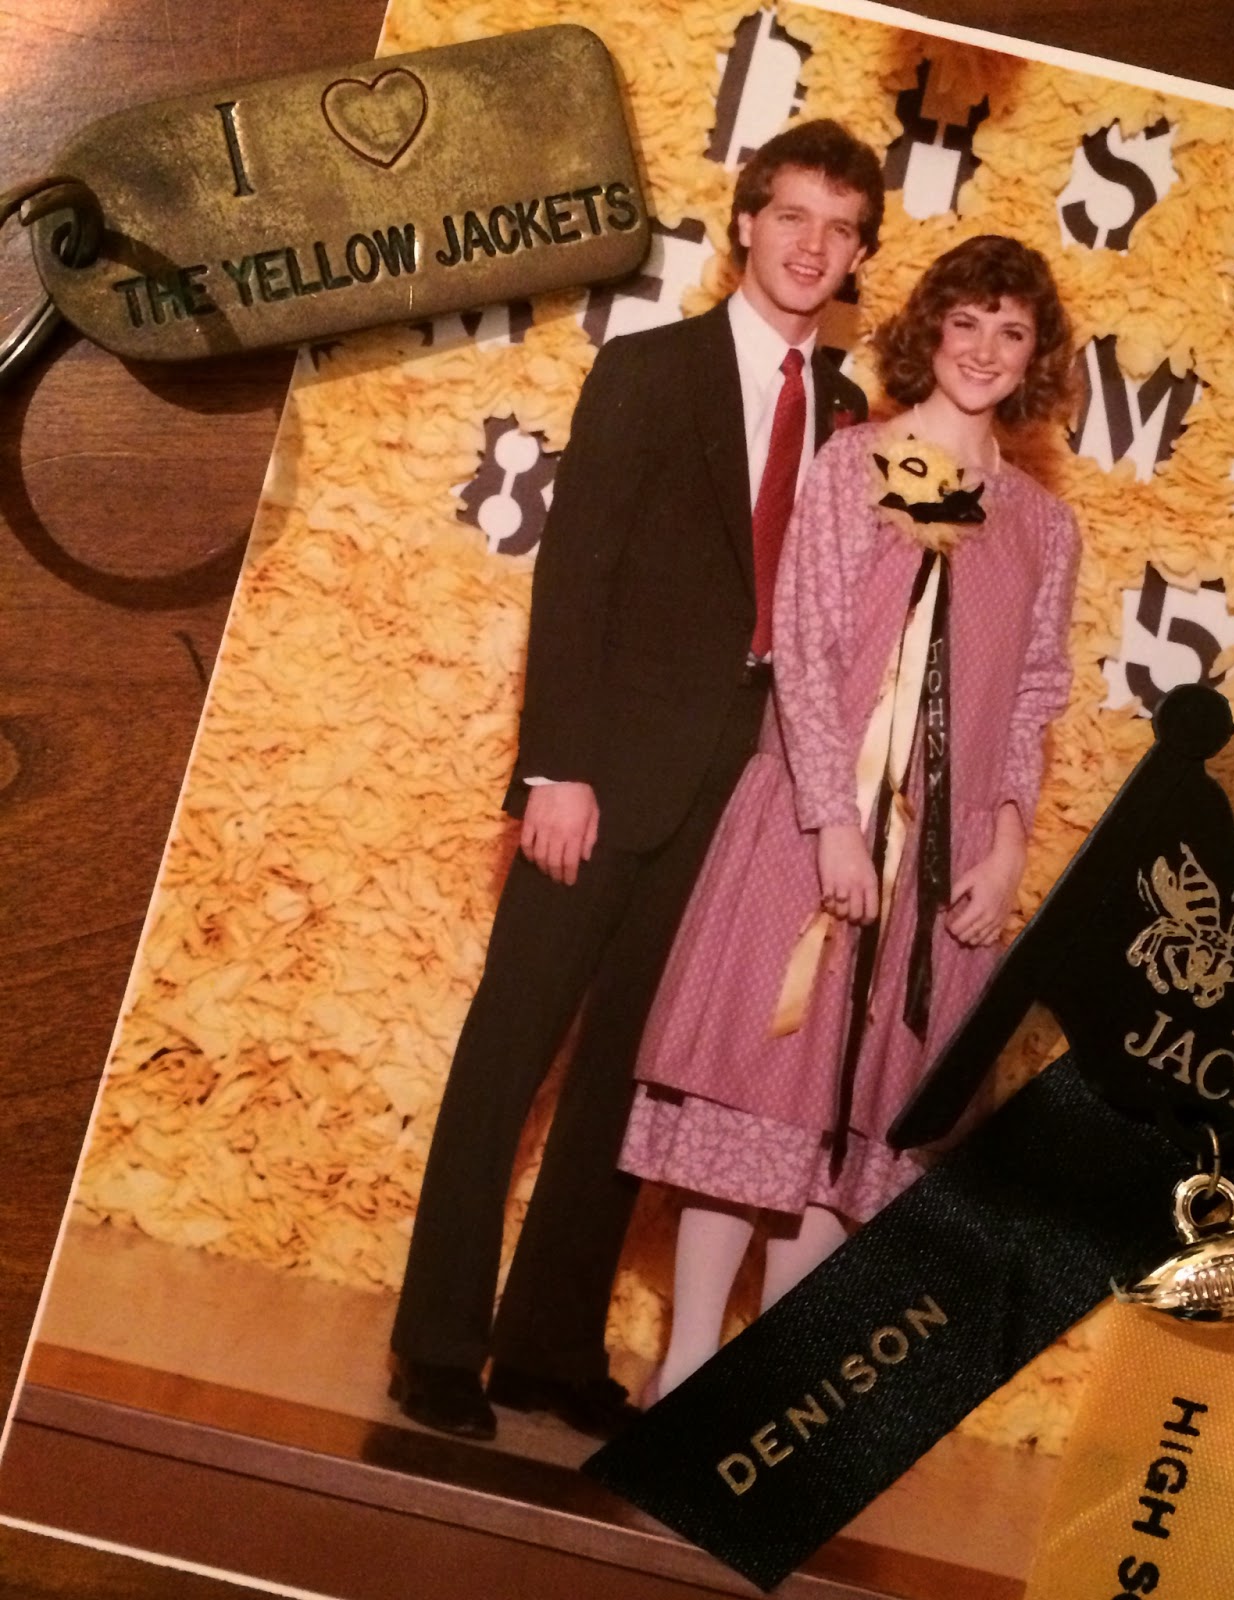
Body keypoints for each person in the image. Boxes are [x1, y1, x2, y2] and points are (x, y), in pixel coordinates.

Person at [388, 121, 886, 1441]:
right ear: (746, 222)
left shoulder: (852, 421)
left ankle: (545, 1348)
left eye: (840, 228)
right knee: (511, 1049)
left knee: (633, 1071)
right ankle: (436, 1344)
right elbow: (578, 574)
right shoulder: (651, 369)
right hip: (603, 778)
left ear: (858, 256)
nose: (812, 246)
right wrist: (554, 767)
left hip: (740, 799)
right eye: (792, 215)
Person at [618, 234, 1082, 1397]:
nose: (983, 349)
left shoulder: (1042, 525)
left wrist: (1006, 842)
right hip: (811, 825)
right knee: (762, 1096)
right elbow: (808, 647)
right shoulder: (854, 463)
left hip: (941, 862)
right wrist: (831, 819)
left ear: (1035, 356)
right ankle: (685, 1369)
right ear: (931, 329)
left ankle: (756, 1389)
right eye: (965, 322)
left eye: (1010, 331)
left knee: (859, 1119)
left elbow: (1032, 693)